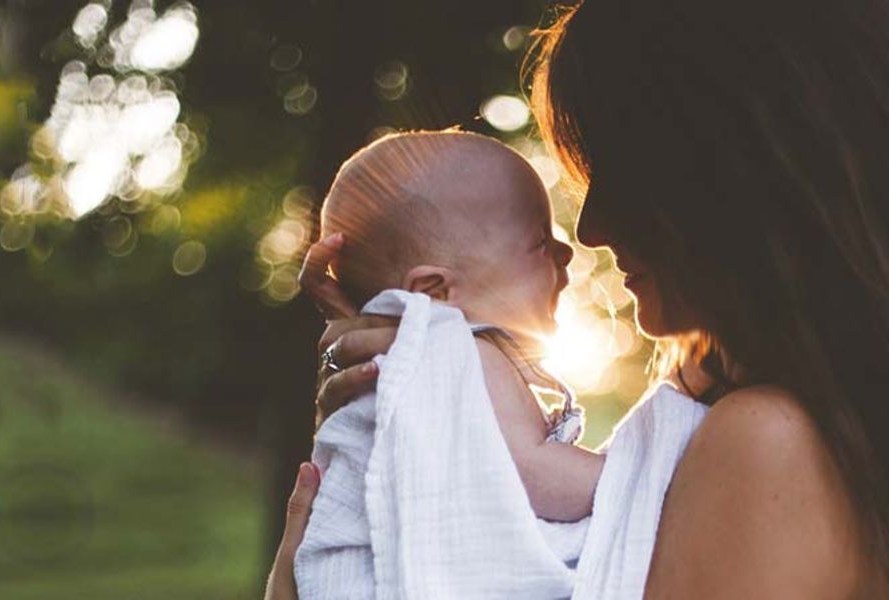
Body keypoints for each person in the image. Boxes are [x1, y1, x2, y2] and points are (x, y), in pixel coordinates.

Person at [266, 0, 889, 596]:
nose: (589, 229)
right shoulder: (825, 425)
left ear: (732, 169)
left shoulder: (768, 441)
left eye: (619, 171)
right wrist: (403, 403)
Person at [308, 129, 596, 523]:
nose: (567, 251)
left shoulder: (409, 371)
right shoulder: (468, 354)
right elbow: (532, 476)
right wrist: (643, 472)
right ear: (435, 294)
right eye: (540, 242)